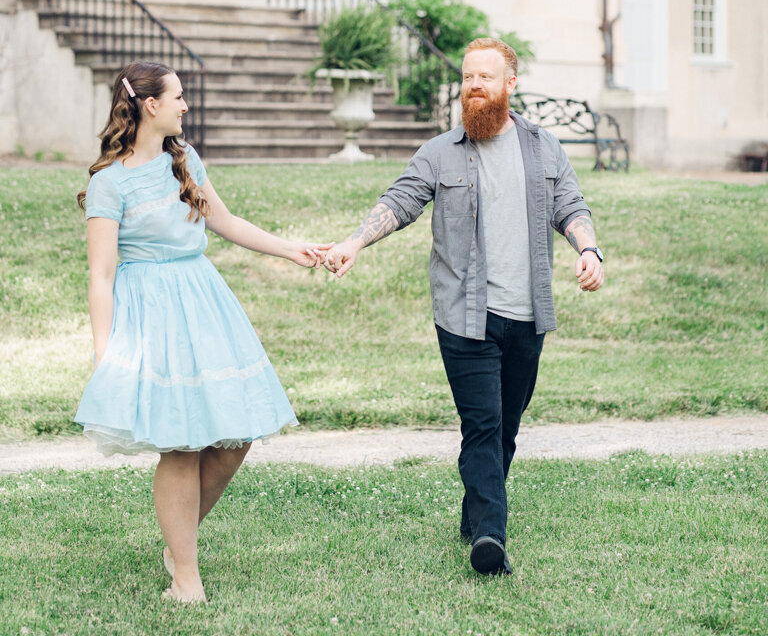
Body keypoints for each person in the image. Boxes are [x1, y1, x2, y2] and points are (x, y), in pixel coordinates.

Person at [323, 37, 604, 576]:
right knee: (481, 424)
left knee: (506, 428)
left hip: (527, 314)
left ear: (509, 85)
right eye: (468, 78)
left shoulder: (545, 148)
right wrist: (353, 243)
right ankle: (490, 538)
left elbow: (570, 203)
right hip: (464, 314)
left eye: (486, 78)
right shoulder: (439, 152)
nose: (474, 86)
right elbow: (399, 201)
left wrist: (586, 248)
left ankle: (475, 509)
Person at [75, 61, 329, 604]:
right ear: (150, 105)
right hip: (152, 312)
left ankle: (178, 541)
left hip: (204, 303)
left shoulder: (185, 160)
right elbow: (101, 273)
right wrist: (107, 352)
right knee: (181, 444)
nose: (185, 105)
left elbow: (227, 222)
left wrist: (291, 249)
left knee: (235, 436)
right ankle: (186, 577)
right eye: (179, 97)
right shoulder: (108, 183)